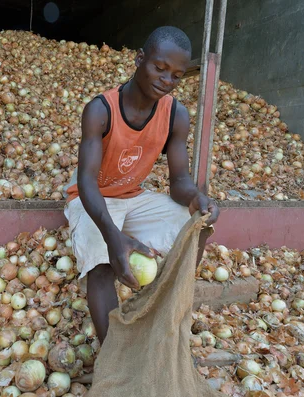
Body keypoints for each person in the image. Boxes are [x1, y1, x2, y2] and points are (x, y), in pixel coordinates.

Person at [64, 26, 220, 344]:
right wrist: (114, 236)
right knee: (104, 267)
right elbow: (87, 184)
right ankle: (115, 357)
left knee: (197, 223)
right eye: (159, 68)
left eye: (175, 75)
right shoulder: (100, 110)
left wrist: (195, 198)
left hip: (133, 197)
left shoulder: (176, 115)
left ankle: (161, 313)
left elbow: (178, 182)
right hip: (91, 198)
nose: (166, 80)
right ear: (139, 60)